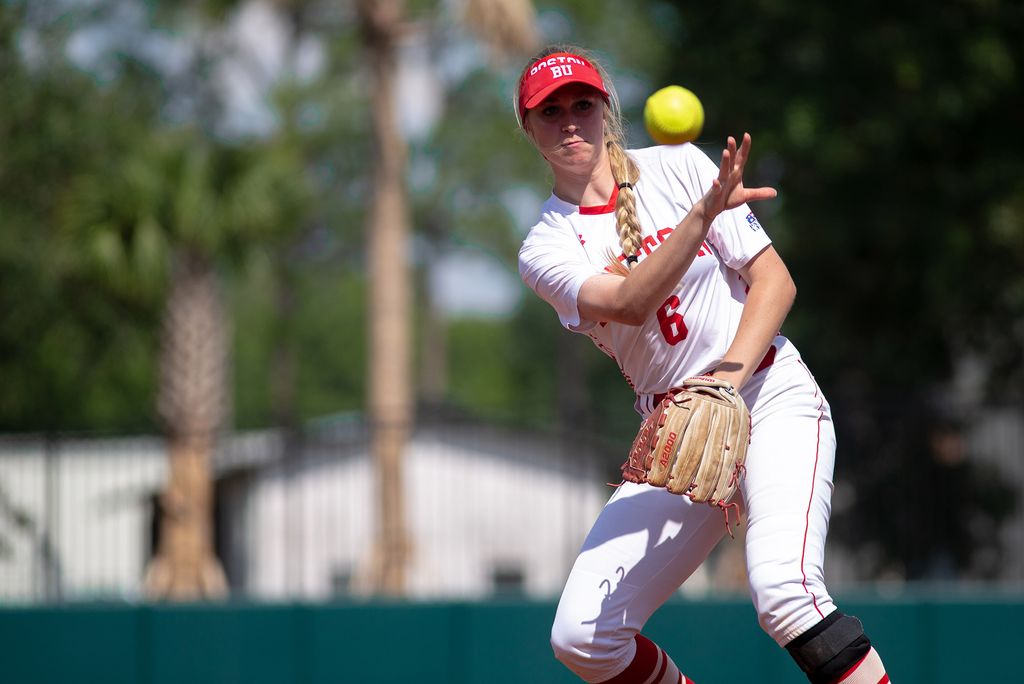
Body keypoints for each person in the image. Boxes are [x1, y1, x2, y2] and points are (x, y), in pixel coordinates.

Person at [515, 46, 892, 684]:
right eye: (550, 112)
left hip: (769, 394)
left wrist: (728, 380)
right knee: (583, 636)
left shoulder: (683, 165)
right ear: (528, 128)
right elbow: (631, 303)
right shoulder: (546, 244)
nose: (570, 120)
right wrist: (701, 215)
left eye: (583, 103)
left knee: (784, 591)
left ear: (607, 107)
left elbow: (775, 283)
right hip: (679, 436)